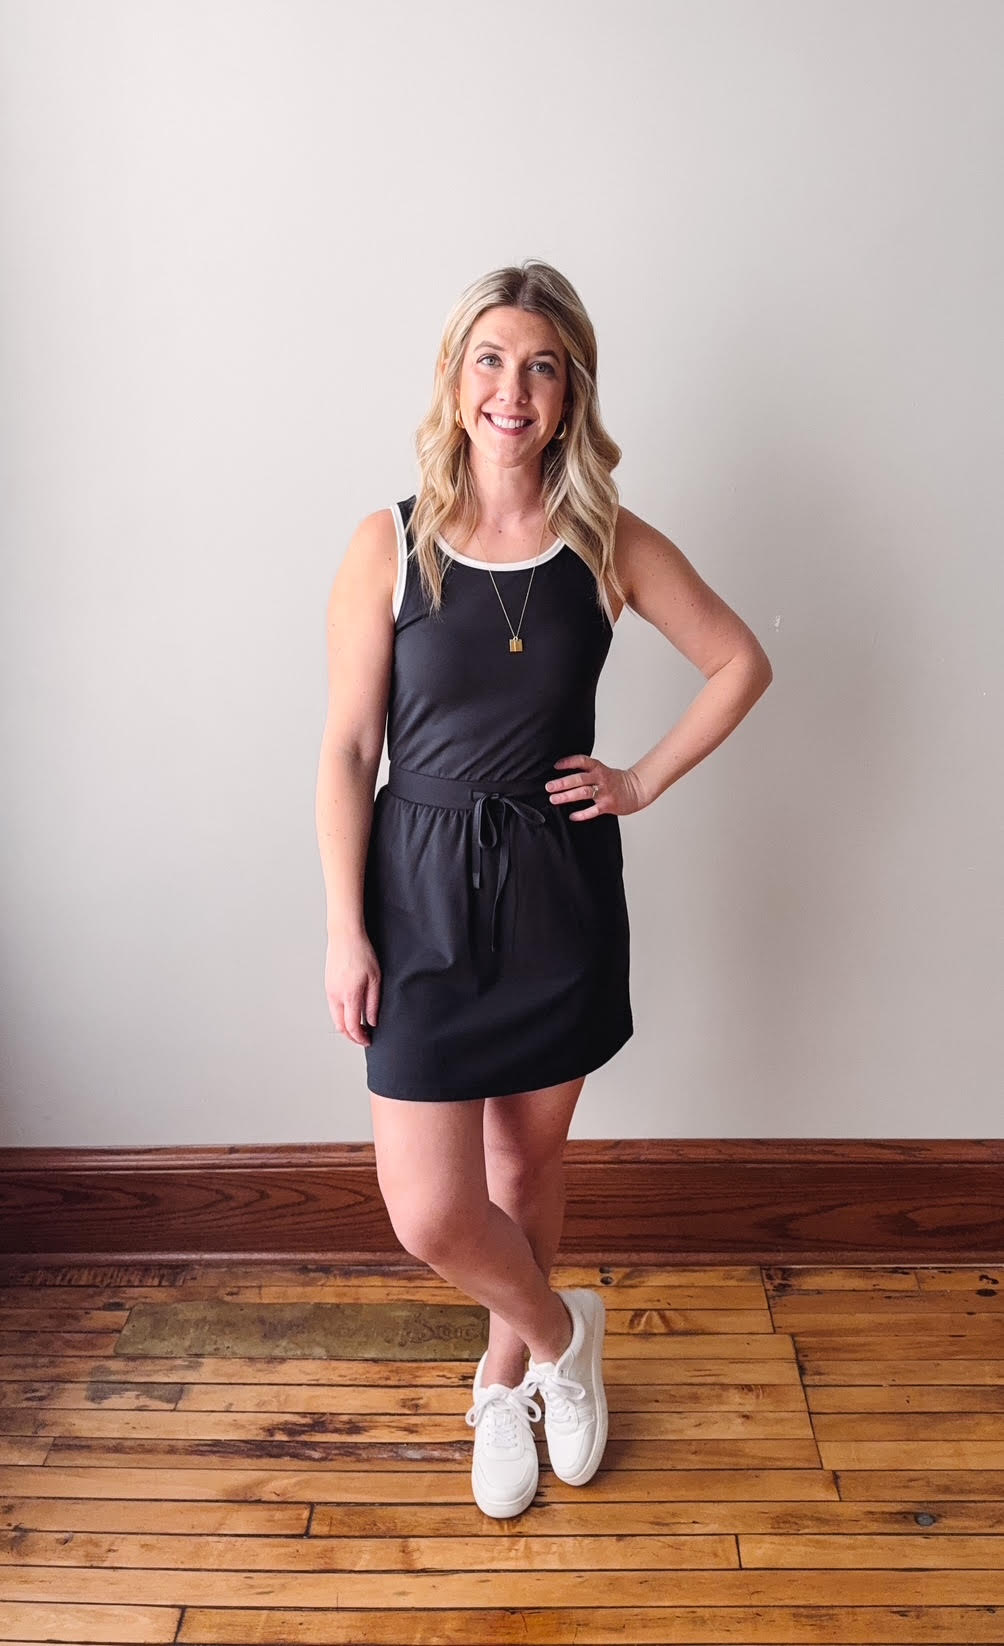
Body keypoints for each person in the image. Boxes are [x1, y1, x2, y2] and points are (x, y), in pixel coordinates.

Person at [315, 259, 773, 1518]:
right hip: (415, 891)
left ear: (569, 393)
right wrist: (345, 926)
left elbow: (739, 660)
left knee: (523, 1166)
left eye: (540, 366)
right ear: (453, 377)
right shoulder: (388, 543)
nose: (510, 389)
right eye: (489, 359)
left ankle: (504, 1377)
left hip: (555, 888)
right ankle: (566, 1334)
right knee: (429, 1209)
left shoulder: (606, 542)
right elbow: (349, 749)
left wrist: (641, 780)